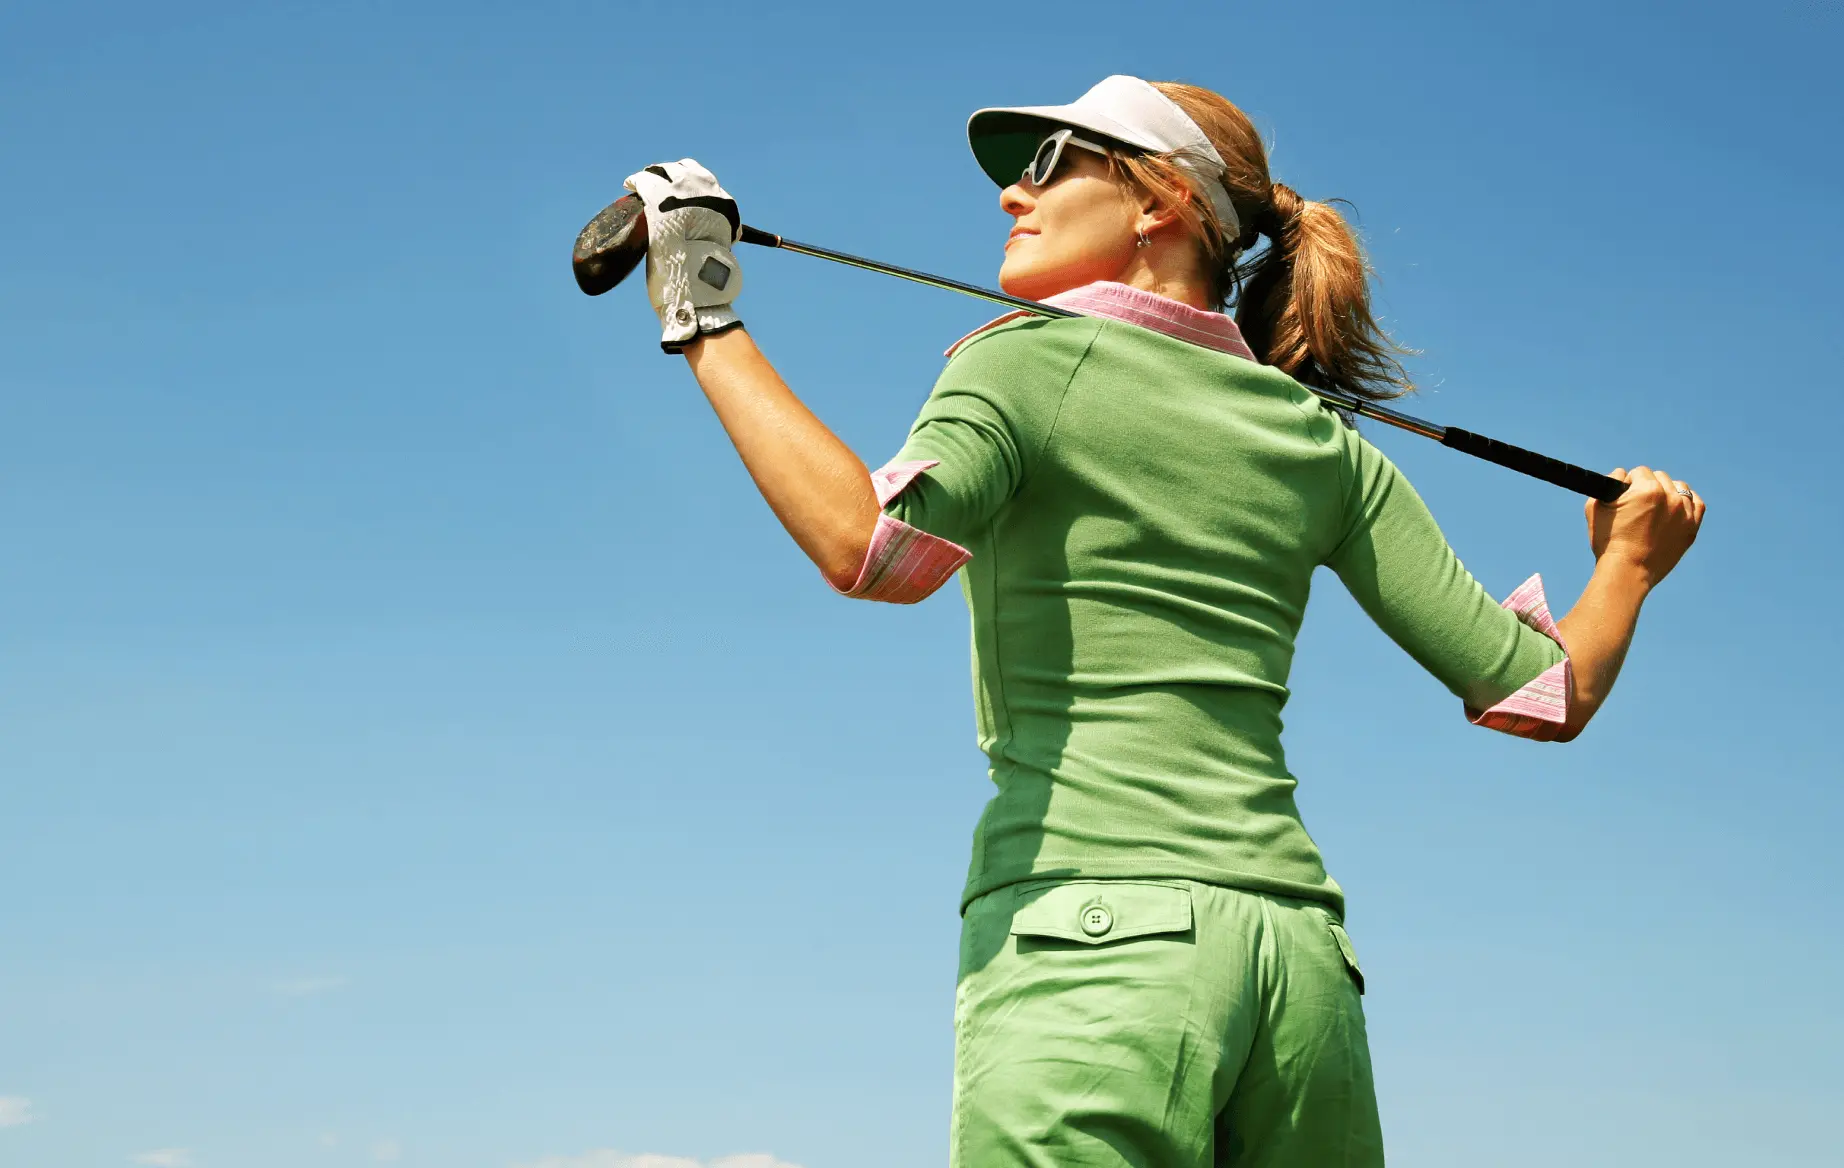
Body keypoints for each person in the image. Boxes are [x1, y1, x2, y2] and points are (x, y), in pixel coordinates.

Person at [620, 75, 1703, 1168]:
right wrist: (1627, 563)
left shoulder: (1022, 359)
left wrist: (701, 311)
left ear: (1158, 204)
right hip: (1301, 974)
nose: (1010, 196)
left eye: (1048, 166)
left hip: (1096, 946)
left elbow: (872, 550)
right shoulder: (1319, 443)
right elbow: (1539, 693)